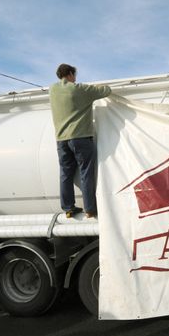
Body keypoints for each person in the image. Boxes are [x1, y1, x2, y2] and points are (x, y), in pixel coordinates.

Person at [49, 63, 112, 219]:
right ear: (70, 74)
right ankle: (90, 209)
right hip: (80, 138)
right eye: (75, 75)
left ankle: (68, 208)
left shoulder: (53, 90)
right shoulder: (80, 90)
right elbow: (106, 91)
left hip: (61, 139)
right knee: (86, 173)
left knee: (65, 174)